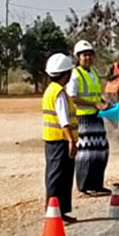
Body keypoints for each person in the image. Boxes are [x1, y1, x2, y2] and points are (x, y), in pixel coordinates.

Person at [67, 40, 111, 196]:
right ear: (77, 57)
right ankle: (84, 185)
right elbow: (72, 97)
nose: (88, 58)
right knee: (86, 153)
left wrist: (103, 103)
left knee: (101, 150)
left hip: (96, 116)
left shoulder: (94, 73)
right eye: (84, 55)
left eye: (90, 55)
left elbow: (96, 95)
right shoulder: (75, 74)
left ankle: (97, 184)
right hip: (83, 118)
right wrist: (94, 104)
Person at [41, 53, 78, 223]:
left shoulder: (50, 90)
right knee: (58, 177)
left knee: (57, 175)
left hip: (52, 139)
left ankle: (59, 211)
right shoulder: (60, 94)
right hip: (60, 140)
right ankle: (54, 212)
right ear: (65, 74)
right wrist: (71, 141)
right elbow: (64, 120)